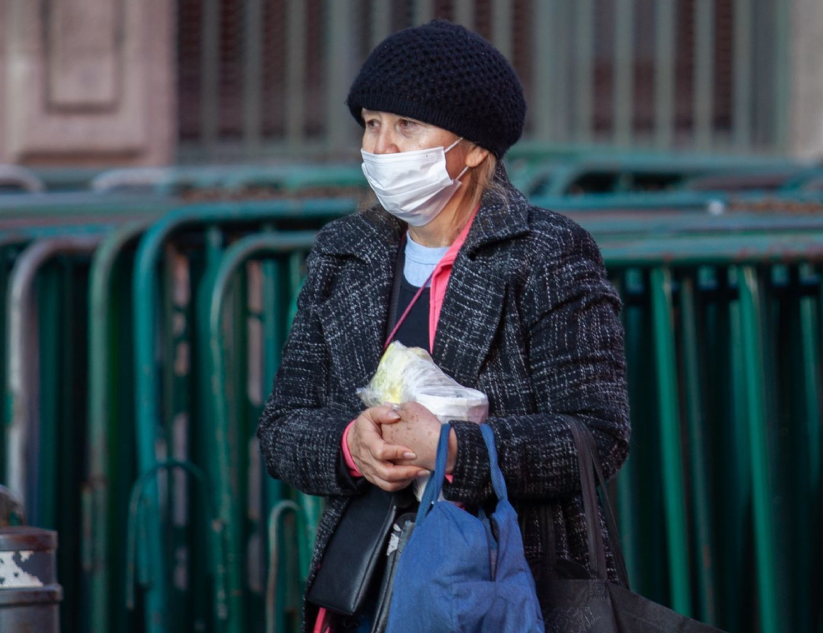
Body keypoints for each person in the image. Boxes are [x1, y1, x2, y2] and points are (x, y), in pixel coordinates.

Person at [256, 20, 631, 632]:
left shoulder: (549, 253)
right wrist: (353, 447)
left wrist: (458, 449)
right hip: (366, 592)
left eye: (407, 126)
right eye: (372, 124)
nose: (381, 148)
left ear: (476, 146)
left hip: (507, 591)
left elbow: (596, 436)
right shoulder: (343, 252)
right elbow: (282, 427)